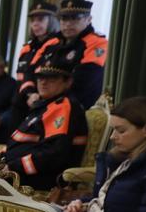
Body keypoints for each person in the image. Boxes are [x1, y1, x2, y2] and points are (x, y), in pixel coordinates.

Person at [5, 60, 88, 190]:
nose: (43, 82)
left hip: (44, 177)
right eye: (40, 78)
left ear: (68, 82)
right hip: (20, 169)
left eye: (52, 79)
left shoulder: (63, 106)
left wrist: (12, 167)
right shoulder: (47, 104)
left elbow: (55, 154)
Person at [22, 0, 108, 109]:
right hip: (42, 104)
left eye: (75, 19)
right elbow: (30, 70)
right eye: (64, 18)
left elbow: (84, 80)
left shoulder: (97, 43)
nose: (68, 24)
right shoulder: (52, 42)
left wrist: (46, 98)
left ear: (88, 19)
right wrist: (30, 93)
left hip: (75, 107)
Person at [15, 3, 60, 81]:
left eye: (40, 19)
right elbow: (20, 76)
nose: (35, 24)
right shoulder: (27, 48)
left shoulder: (58, 45)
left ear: (52, 21)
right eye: (32, 20)